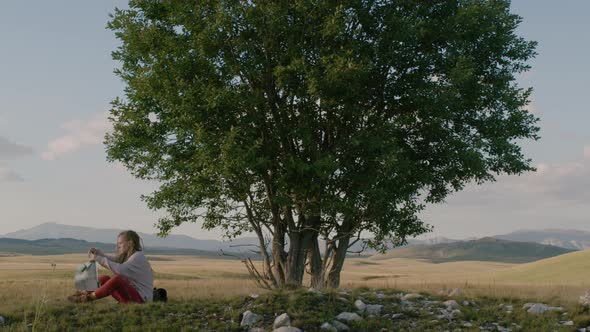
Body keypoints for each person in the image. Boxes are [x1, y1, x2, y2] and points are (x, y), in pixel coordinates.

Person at [68, 230, 154, 304]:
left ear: (130, 243)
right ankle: (82, 293)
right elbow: (116, 260)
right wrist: (99, 254)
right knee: (105, 278)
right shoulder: (130, 256)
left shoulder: (137, 257)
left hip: (142, 300)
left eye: (120, 243)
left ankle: (87, 298)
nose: (118, 246)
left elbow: (119, 269)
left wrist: (98, 258)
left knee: (117, 279)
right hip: (132, 296)